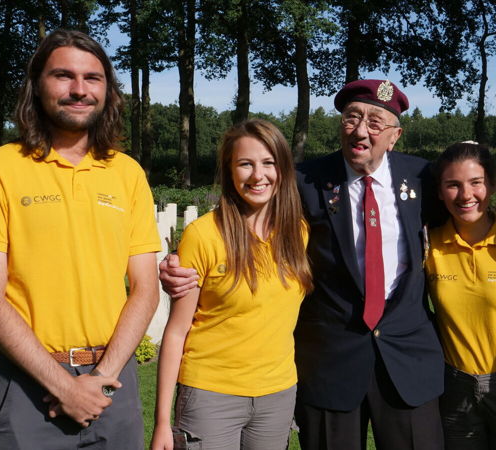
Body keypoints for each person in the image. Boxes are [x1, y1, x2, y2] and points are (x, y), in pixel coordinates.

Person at [160, 79, 446, 450]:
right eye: (351, 118)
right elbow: (247, 214)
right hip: (330, 361)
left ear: (395, 136)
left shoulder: (424, 178)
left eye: (375, 122)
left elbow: (465, 220)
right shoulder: (304, 181)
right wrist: (178, 265)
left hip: (407, 362)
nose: (360, 130)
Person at [0, 29, 161, 449]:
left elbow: (145, 289)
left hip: (113, 381)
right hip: (26, 386)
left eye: (92, 78)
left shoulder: (127, 173)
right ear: (36, 85)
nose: (79, 89)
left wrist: (101, 380)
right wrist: (65, 387)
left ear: (107, 90)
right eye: (63, 76)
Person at [150, 119, 312, 450]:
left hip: (278, 395)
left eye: (268, 163)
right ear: (229, 171)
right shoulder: (203, 235)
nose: (258, 175)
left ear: (282, 169)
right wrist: (162, 423)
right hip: (211, 394)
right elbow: (177, 331)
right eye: (245, 164)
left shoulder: (297, 232)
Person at [425, 142, 496, 449]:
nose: (465, 195)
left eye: (476, 183)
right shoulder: (428, 246)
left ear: (493, 185)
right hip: (454, 386)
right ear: (439, 191)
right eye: (453, 185)